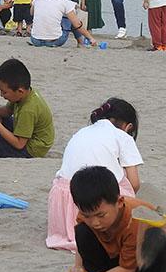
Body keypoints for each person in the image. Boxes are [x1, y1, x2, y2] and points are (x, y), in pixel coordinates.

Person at [65, 166, 166, 272]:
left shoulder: (137, 218)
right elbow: (82, 239)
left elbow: (127, 269)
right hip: (116, 257)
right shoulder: (88, 214)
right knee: (82, 231)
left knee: (159, 238)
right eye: (87, 215)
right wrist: (78, 266)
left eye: (101, 215)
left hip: (146, 262)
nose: (94, 222)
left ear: (119, 202)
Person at [47, 98, 142, 252]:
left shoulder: (82, 132)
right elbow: (135, 183)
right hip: (95, 203)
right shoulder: (122, 136)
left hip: (65, 200)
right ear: (128, 127)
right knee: (122, 184)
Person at [0, 58, 54, 158]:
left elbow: (19, 144)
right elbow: (7, 111)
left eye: (4, 92)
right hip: (29, 134)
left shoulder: (28, 110)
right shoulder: (25, 94)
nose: (1, 95)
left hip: (32, 149)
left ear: (20, 91)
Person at [30, 0, 96, 47]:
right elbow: (77, 24)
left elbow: (32, 13)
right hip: (56, 40)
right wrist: (91, 38)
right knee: (71, 18)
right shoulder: (63, 1)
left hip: (35, 40)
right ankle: (81, 42)